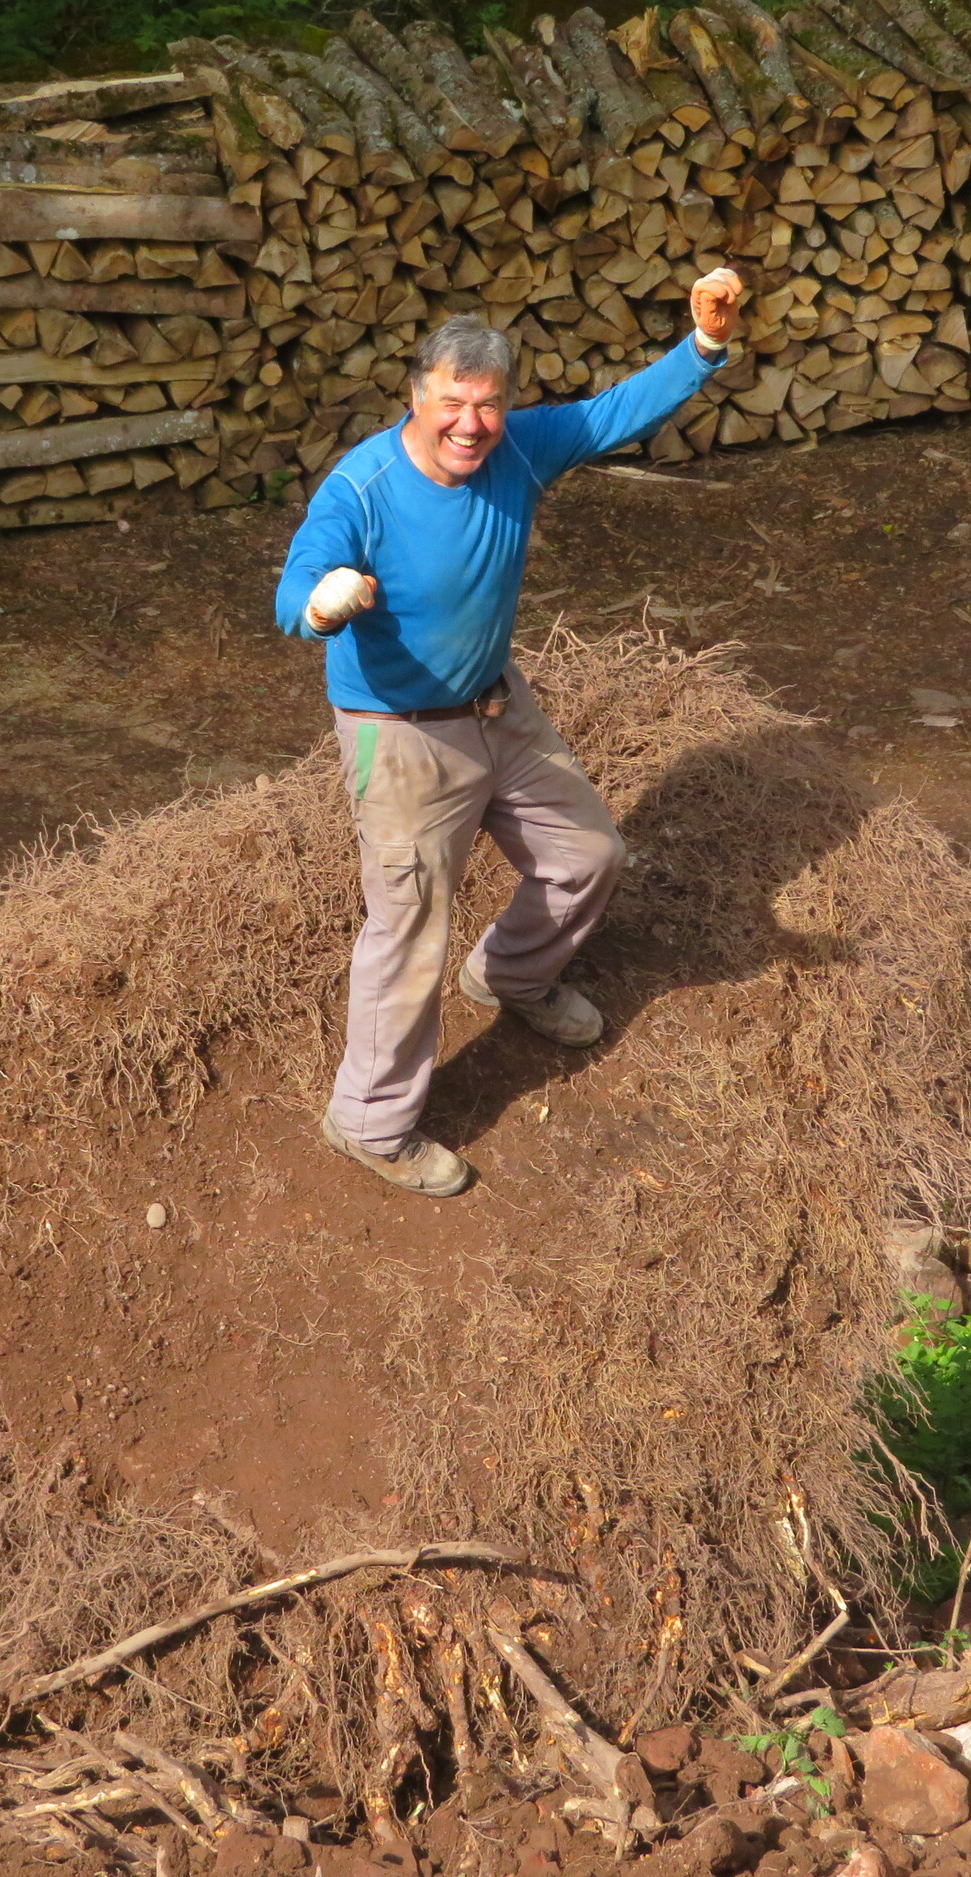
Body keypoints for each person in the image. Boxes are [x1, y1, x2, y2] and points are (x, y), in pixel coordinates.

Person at [273, 268, 745, 1197]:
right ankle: (370, 1122)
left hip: (496, 705)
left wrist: (704, 348)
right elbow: (299, 584)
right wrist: (322, 604)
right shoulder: (362, 487)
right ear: (418, 395)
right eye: (453, 403)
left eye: (488, 404)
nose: (471, 424)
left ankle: (510, 975)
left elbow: (614, 414)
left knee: (588, 853)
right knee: (411, 924)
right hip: (400, 735)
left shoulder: (521, 448)